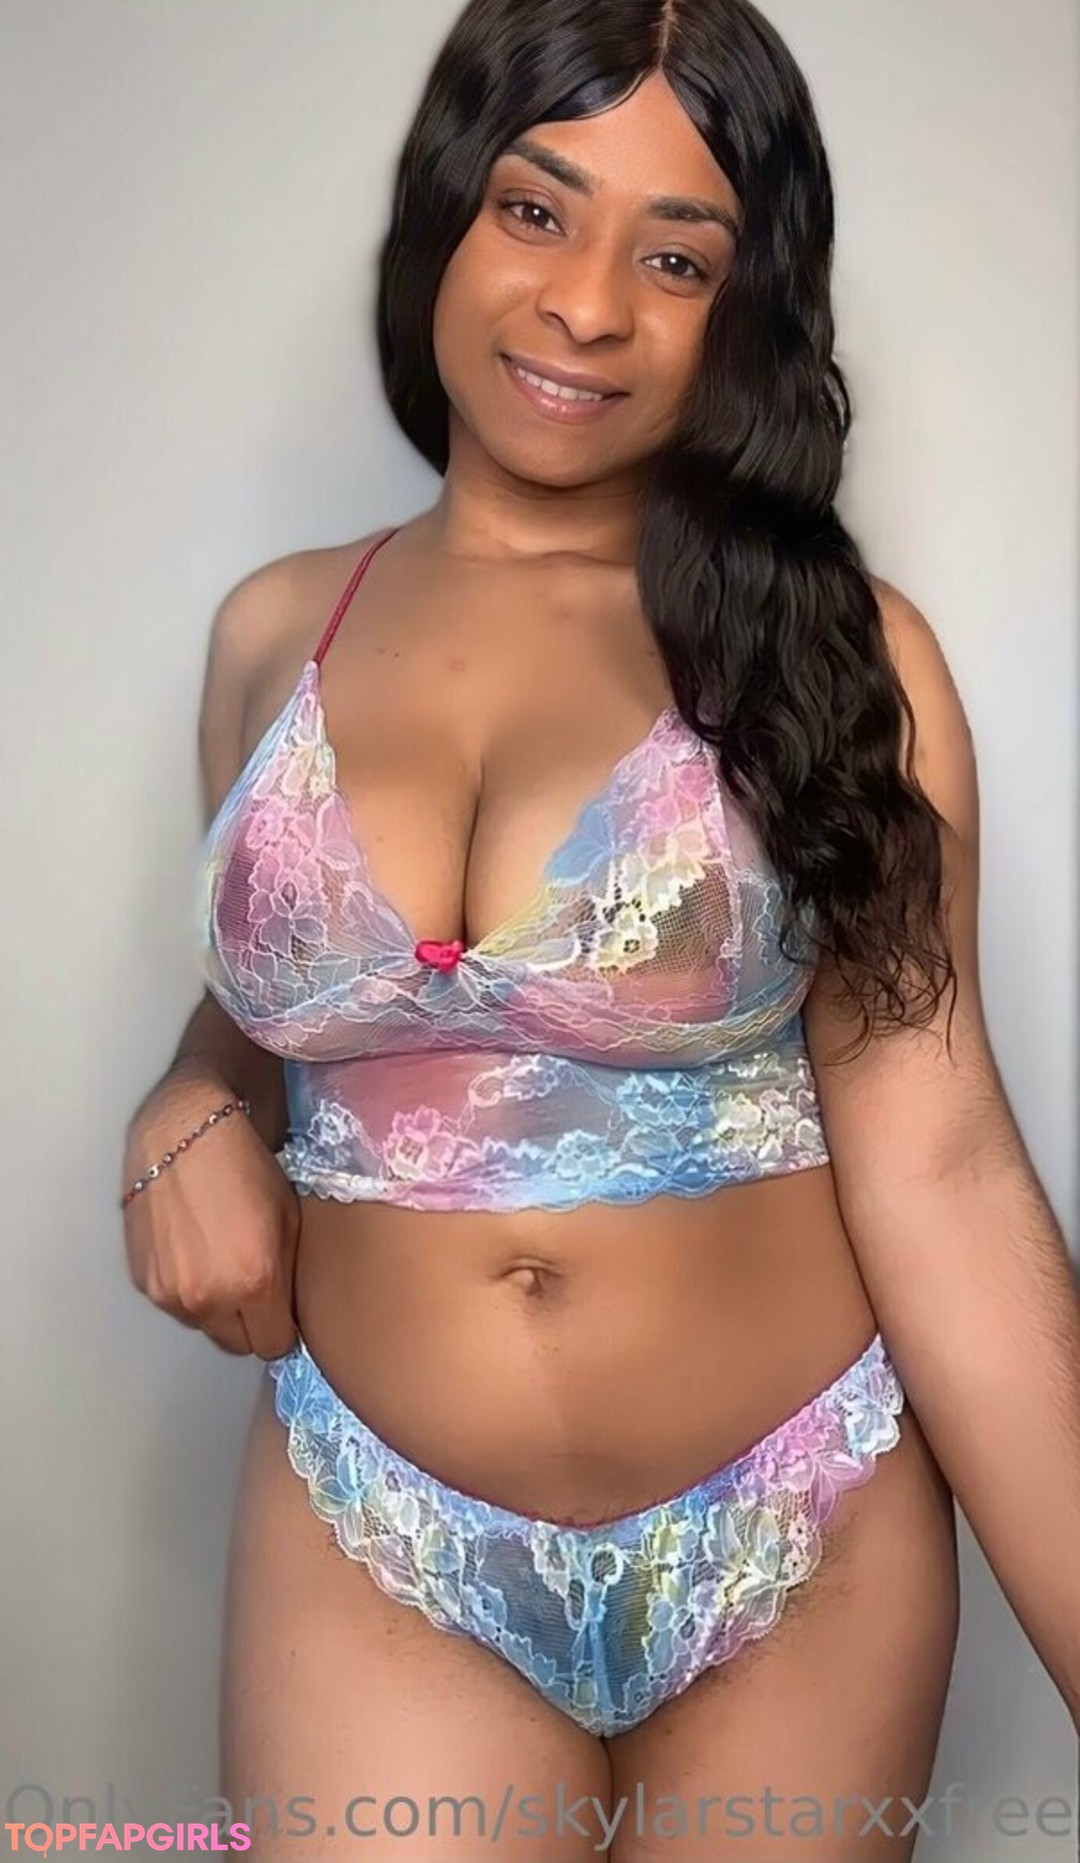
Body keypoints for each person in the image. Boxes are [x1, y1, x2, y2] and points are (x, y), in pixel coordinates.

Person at [121, 1, 1080, 1857]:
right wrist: (186, 1101)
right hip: (373, 1531)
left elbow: (947, 1170)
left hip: (798, 1533)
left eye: (677, 256)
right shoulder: (270, 635)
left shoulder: (840, 656)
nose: (585, 306)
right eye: (537, 210)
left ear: (745, 305)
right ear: (447, 212)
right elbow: (284, 1012)